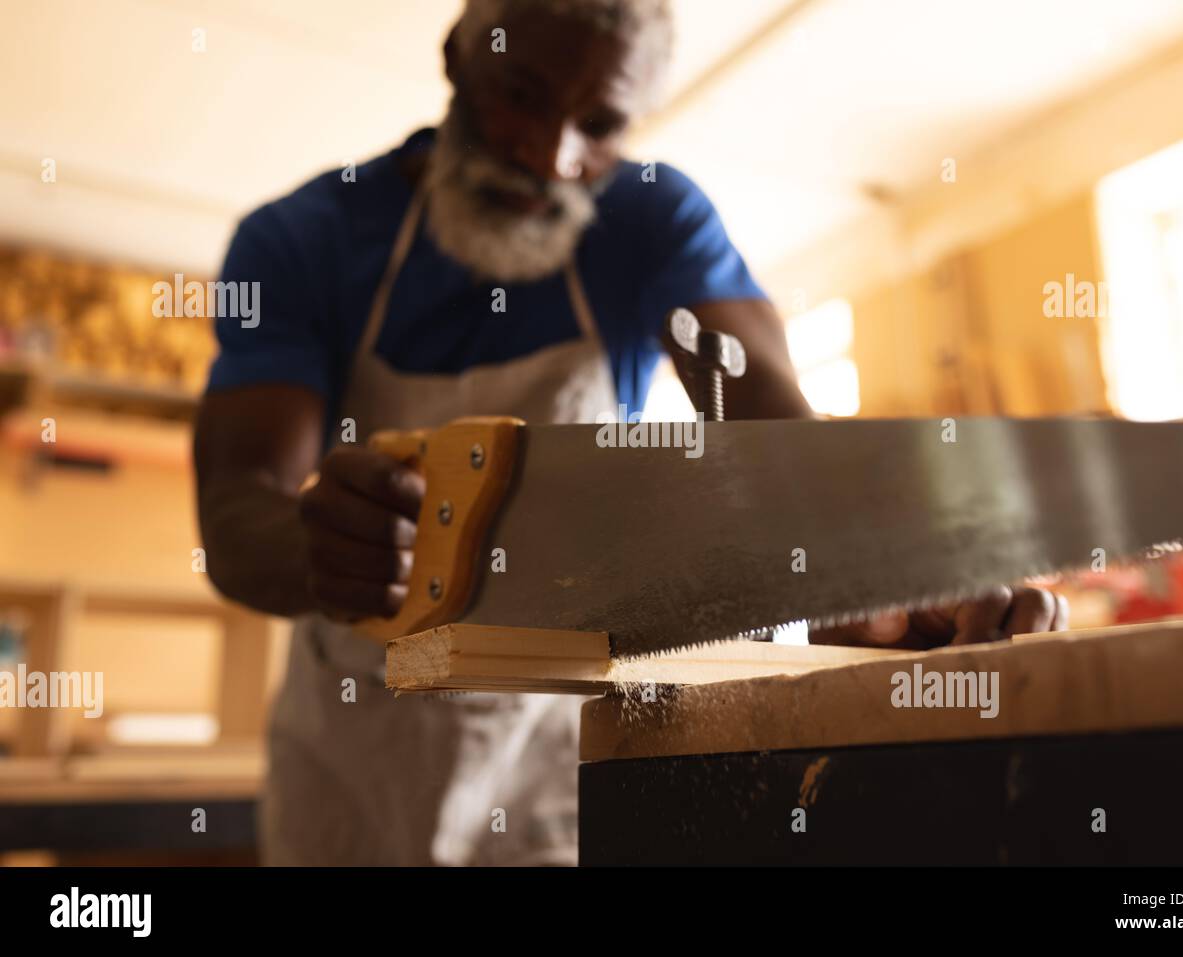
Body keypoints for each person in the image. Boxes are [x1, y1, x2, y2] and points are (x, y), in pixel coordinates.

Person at [194, 0, 1067, 866]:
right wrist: (323, 545)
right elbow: (237, 516)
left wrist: (904, 563)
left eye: (600, 123)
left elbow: (781, 447)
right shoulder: (300, 241)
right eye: (523, 93)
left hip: (556, 739)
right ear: (458, 56)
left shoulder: (652, 221)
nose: (550, 154)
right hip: (350, 745)